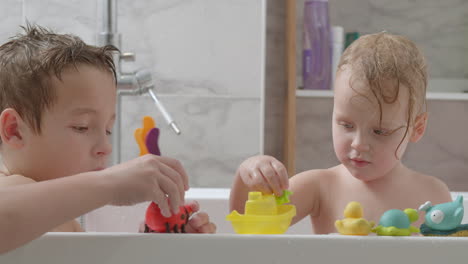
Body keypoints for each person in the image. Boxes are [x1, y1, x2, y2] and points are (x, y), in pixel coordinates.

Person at [0, 24, 215, 254]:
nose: (105, 147)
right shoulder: (12, 186)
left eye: (108, 130)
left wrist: (157, 240)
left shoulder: (57, 217)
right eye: (82, 127)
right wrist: (110, 185)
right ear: (15, 130)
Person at [230, 32, 452, 234]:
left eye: (379, 131)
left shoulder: (433, 194)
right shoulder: (319, 187)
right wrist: (246, 173)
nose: (359, 144)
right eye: (346, 125)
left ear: (417, 127)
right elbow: (249, 229)